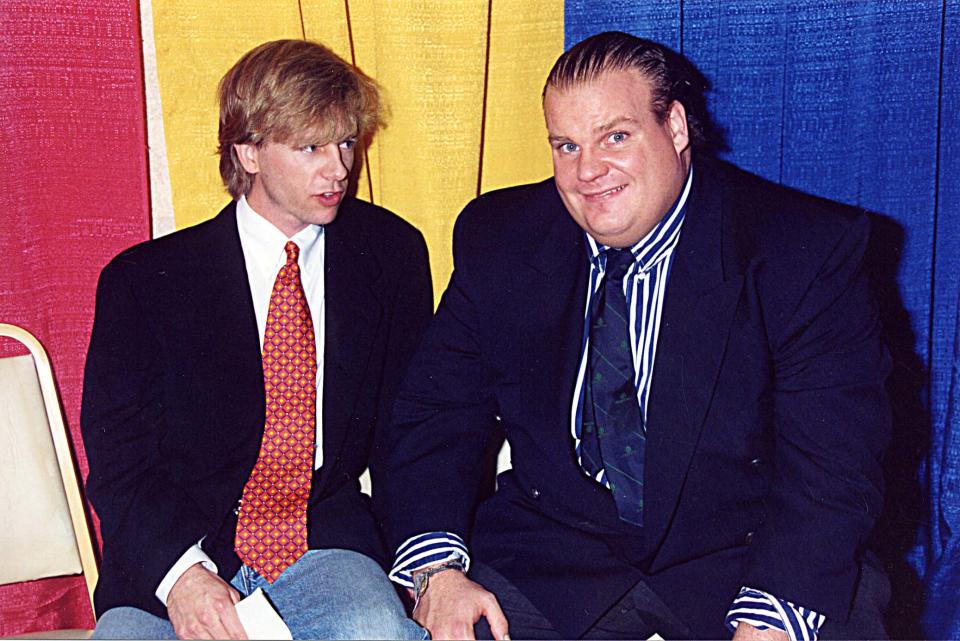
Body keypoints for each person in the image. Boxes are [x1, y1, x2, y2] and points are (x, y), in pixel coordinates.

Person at [382, 31, 891, 640]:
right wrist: (437, 574)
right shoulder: (503, 237)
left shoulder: (801, 250)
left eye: (615, 137)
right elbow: (437, 414)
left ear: (675, 128)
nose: (588, 171)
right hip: (555, 556)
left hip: (746, 555)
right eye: (566, 145)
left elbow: (833, 468)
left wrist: (771, 618)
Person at [81, 39, 431, 640]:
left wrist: (429, 571)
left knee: (376, 630)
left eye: (346, 141)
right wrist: (183, 576)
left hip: (321, 540)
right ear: (247, 151)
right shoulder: (145, 282)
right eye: (311, 147)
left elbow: (414, 432)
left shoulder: (390, 255)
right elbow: (119, 461)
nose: (339, 168)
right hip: (175, 554)